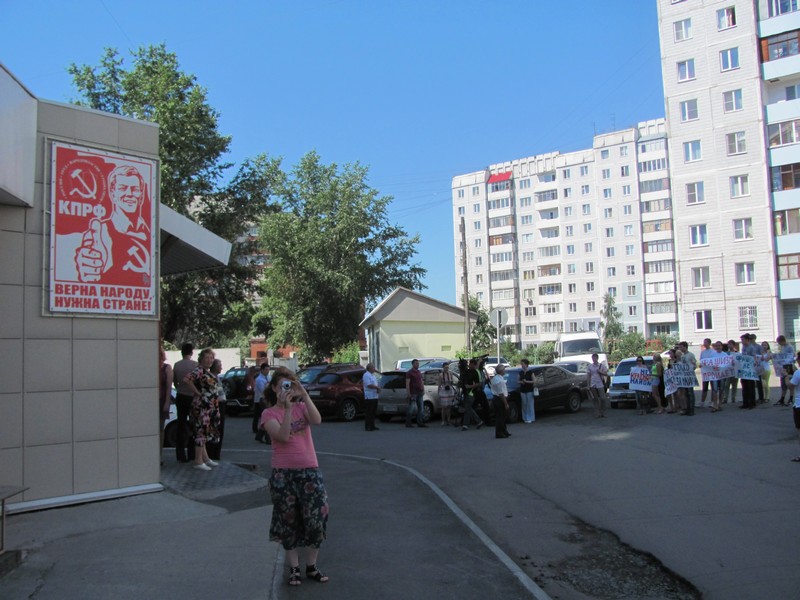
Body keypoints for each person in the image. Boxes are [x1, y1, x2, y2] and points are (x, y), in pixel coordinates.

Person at [260, 367, 329, 586]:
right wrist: (287, 409)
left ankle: (311, 565)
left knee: (316, 518)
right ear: (274, 388)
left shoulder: (302, 406)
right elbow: (282, 436)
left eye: (290, 384)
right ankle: (294, 568)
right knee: (287, 521)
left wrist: (304, 395)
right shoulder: (268, 414)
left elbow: (317, 420)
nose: (287, 389)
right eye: (283, 385)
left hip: (309, 469)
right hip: (283, 473)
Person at [74, 165, 151, 283]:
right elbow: (90, 258)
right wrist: (90, 264)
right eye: (123, 188)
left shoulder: (150, 233)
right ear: (112, 193)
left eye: (135, 189)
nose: (129, 193)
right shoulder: (101, 233)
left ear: (141, 195)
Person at [184, 348, 221, 471]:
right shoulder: (199, 370)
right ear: (201, 359)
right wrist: (197, 393)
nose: (209, 360)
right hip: (202, 406)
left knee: (205, 432)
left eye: (211, 358)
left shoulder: (206, 371)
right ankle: (198, 460)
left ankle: (205, 458)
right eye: (206, 358)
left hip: (209, 406)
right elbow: (187, 379)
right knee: (201, 431)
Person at [172, 343, 197, 463]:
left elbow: (175, 382)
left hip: (181, 396)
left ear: (182, 352)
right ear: (191, 352)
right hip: (192, 397)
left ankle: (180, 454)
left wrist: (180, 389)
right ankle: (192, 453)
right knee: (194, 425)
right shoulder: (195, 365)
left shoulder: (177, 365)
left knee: (181, 425)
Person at [206, 358, 226, 461]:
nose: (221, 368)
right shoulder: (211, 378)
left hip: (221, 404)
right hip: (216, 405)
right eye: (220, 365)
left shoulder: (217, 377)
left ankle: (216, 453)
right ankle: (213, 453)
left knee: (220, 429)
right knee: (216, 429)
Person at [158, 347, 173, 465]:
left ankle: (159, 456)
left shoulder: (167, 368)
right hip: (150, 402)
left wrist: (167, 402)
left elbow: (169, 387)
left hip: (162, 400)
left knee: (160, 429)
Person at [460, 358, 484, 431]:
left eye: (471, 364)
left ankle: (466, 424)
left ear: (474, 365)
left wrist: (470, 386)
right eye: (469, 364)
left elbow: (479, 383)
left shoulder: (476, 372)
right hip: (465, 391)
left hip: (471, 392)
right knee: (468, 408)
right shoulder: (467, 371)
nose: (470, 365)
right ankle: (479, 421)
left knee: (467, 408)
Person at [490, 364, 511, 438]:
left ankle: (504, 431)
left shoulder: (495, 378)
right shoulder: (500, 381)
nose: (505, 371)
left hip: (496, 398)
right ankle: (499, 433)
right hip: (499, 399)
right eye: (504, 369)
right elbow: (501, 393)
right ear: (502, 371)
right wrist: (505, 403)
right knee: (500, 417)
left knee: (502, 416)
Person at [739, 334, 759, 410]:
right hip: (744, 370)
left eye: (743, 340)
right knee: (744, 387)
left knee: (750, 387)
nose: (742, 341)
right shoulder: (743, 347)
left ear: (747, 340)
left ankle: (752, 403)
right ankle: (745, 403)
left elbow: (754, 357)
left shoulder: (751, 348)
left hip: (750, 370)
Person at [405, 359, 427, 428]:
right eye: (416, 363)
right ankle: (408, 423)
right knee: (411, 408)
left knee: (421, 408)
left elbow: (421, 381)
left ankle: (420, 422)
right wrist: (408, 393)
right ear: (413, 364)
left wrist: (423, 389)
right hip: (413, 393)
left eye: (418, 363)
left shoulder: (419, 372)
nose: (417, 365)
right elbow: (407, 383)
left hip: (420, 392)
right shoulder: (409, 373)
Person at [253, 362, 271, 443]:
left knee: (265, 417)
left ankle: (259, 435)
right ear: (262, 370)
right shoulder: (259, 379)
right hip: (262, 399)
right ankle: (268, 438)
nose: (267, 371)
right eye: (266, 369)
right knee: (267, 417)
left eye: (268, 370)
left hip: (267, 399)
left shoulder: (269, 377)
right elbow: (263, 391)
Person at [775, 335, 796, 406]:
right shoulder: (783, 347)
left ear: (782, 341)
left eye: (779, 342)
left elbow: (793, 355)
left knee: (789, 383)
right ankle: (782, 398)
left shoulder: (789, 347)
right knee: (783, 383)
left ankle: (791, 398)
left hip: (789, 366)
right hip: (783, 366)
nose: (779, 344)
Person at [587, 353, 608, 418]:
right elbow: (588, 376)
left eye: (594, 358)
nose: (593, 359)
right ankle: (597, 412)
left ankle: (603, 412)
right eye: (592, 358)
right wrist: (588, 385)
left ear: (597, 358)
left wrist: (600, 372)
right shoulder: (590, 366)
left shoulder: (601, 365)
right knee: (595, 399)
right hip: (593, 384)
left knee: (603, 398)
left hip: (600, 383)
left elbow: (606, 374)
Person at [679, 341, 697, 416]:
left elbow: (694, 365)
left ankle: (692, 409)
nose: (680, 348)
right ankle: (687, 408)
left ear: (685, 347)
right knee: (686, 393)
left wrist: (692, 368)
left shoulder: (690, 355)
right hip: (684, 376)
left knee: (690, 393)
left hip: (690, 376)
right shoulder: (682, 356)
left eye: (681, 347)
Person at [362, 363, 380, 431]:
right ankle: (368, 426)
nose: (374, 369)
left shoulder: (373, 375)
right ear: (369, 368)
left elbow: (376, 383)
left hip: (375, 396)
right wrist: (377, 387)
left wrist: (378, 388)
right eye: (373, 367)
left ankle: (372, 425)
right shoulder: (366, 375)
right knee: (369, 412)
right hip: (369, 396)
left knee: (373, 412)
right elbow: (368, 385)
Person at [519, 358, 536, 424]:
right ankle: (525, 418)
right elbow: (517, 381)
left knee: (530, 404)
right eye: (521, 364)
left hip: (529, 390)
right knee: (524, 404)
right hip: (522, 390)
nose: (522, 365)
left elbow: (534, 381)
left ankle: (530, 418)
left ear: (526, 364)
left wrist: (527, 381)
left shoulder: (530, 372)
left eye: (522, 364)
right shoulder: (520, 372)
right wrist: (521, 382)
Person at [698, 338, 713, 408]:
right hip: (705, 373)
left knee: (713, 387)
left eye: (706, 342)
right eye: (704, 342)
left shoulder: (713, 352)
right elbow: (701, 360)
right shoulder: (703, 352)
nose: (704, 344)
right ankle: (702, 402)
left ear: (709, 343)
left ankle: (712, 401)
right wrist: (700, 365)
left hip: (712, 372)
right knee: (704, 388)